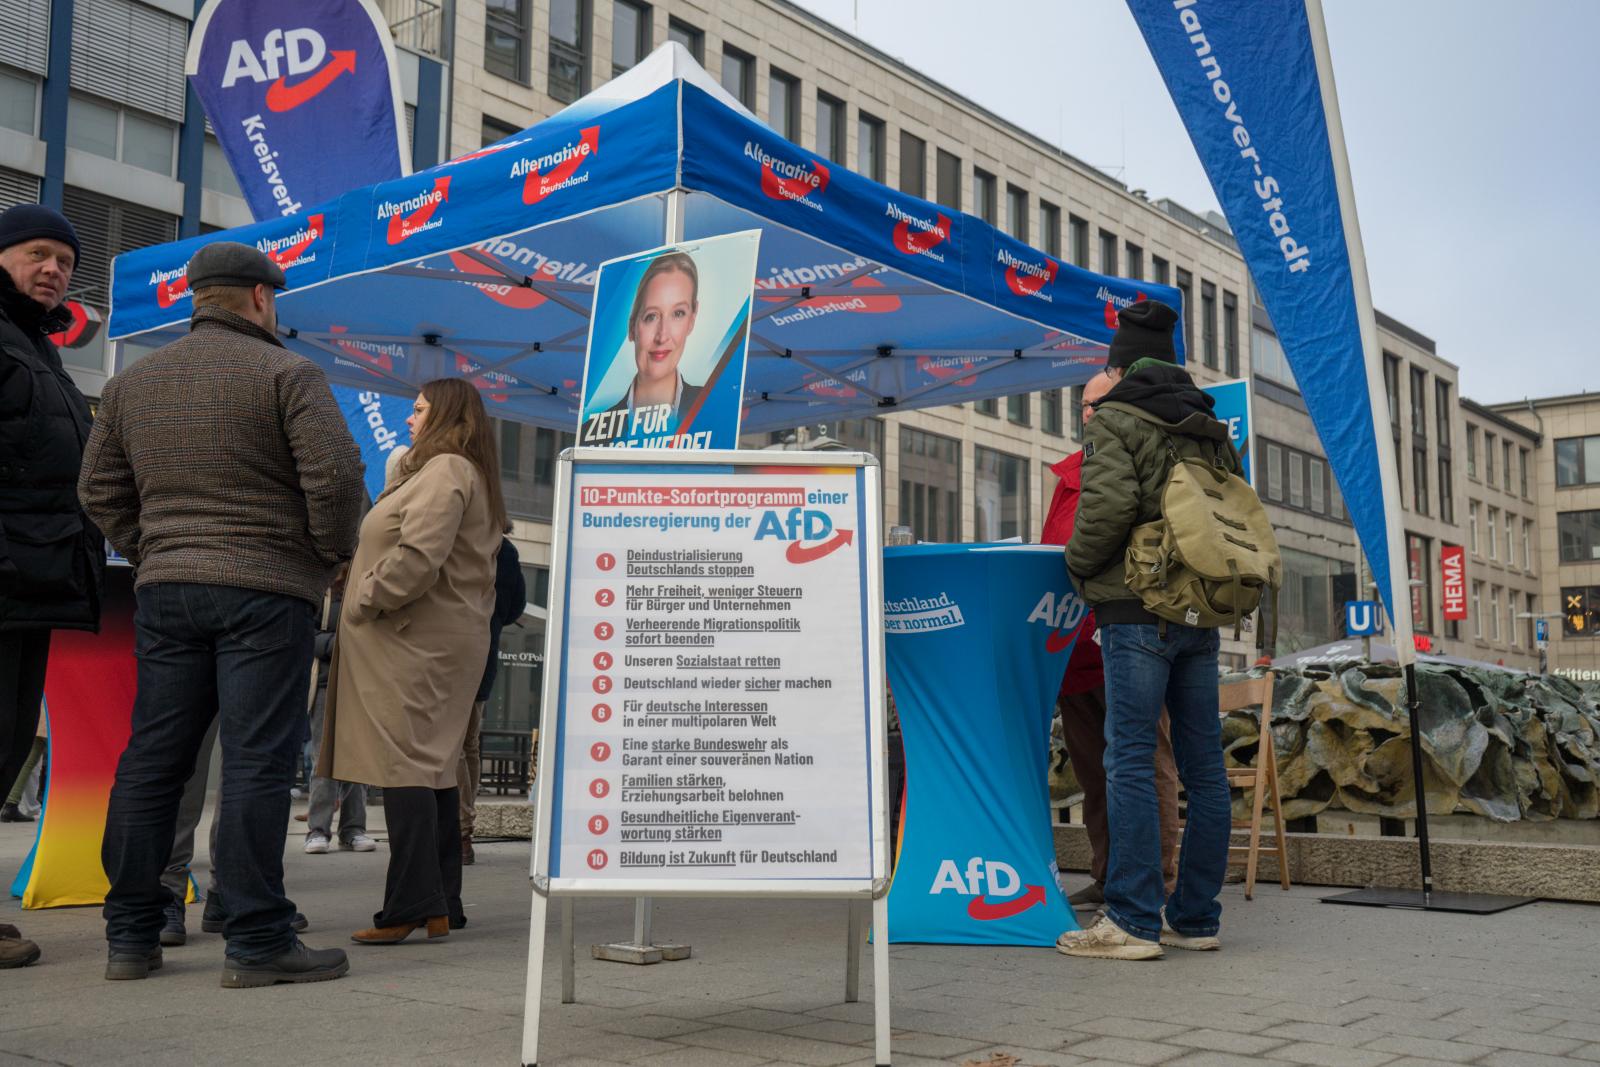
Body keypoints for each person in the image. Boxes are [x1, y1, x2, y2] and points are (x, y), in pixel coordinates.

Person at [79, 241, 364, 985]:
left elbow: (97, 491)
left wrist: (154, 549)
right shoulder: (288, 373)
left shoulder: (134, 384)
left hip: (167, 589)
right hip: (267, 590)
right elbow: (335, 477)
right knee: (256, 761)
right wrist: (327, 554)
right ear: (262, 299)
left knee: (152, 761)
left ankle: (131, 935)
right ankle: (256, 937)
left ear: (195, 299)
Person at [1057, 299, 1238, 962]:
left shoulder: (1119, 419)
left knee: (1129, 756)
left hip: (1136, 611)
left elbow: (1105, 511)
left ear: (1118, 363)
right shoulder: (1209, 424)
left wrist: (1077, 570)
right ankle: (1194, 916)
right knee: (1203, 765)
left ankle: (1131, 920)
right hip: (1202, 610)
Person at [320, 378, 504, 945]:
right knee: (433, 768)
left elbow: (419, 555)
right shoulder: (460, 472)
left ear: (445, 414)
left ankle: (409, 906)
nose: (408, 420)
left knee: (405, 767)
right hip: (432, 638)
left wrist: (366, 595)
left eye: (419, 410)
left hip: (410, 639)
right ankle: (441, 902)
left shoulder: (446, 469)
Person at [0, 204, 103, 970]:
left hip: (33, 580)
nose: (53, 271)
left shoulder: (36, 346)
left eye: (64, 261)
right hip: (9, 573)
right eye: (37, 254)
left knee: (4, 748)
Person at [1041, 362, 1182, 911]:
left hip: (1128, 635)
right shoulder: (1069, 474)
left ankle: (1159, 883)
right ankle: (1108, 873)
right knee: (1093, 771)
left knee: (1145, 765)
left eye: (1099, 403)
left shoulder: (1147, 463)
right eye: (1083, 405)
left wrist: (1078, 563)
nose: (1089, 413)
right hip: (1074, 648)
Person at [579, 252, 701, 444]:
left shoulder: (712, 411)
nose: (662, 336)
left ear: (692, 320)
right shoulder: (593, 433)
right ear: (632, 327)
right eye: (651, 316)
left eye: (678, 313)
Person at [460, 535, 526, 866]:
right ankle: (463, 833)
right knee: (468, 745)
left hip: (447, 654)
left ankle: (454, 831)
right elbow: (516, 607)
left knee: (455, 745)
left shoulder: (457, 536)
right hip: (483, 652)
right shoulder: (505, 550)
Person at [303, 568, 376, 856]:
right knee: (323, 759)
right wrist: (338, 644)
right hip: (323, 684)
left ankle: (354, 829)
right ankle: (317, 830)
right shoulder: (319, 591)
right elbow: (304, 635)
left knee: (359, 759)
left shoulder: (365, 589)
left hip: (361, 683)